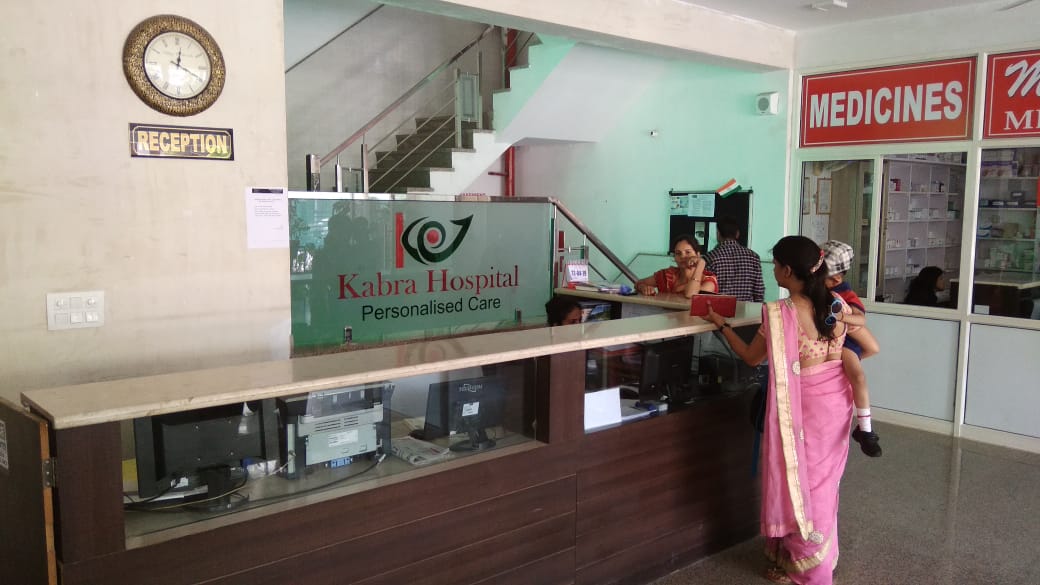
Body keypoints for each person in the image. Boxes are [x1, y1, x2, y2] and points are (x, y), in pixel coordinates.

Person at [704, 235, 879, 585]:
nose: (773, 270)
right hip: (837, 404)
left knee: (800, 485)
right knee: (823, 484)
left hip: (805, 407)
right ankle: (810, 556)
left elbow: (751, 357)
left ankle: (809, 570)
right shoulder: (836, 304)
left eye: (775, 264)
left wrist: (721, 325)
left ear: (787, 270)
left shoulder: (780, 313)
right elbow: (871, 347)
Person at [820, 240, 881, 458]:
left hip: (846, 342)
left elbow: (860, 319)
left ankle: (865, 430)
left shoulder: (844, 293)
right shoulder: (821, 288)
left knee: (858, 377)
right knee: (855, 374)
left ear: (836, 278)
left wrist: (840, 317)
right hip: (835, 343)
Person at [635, 234, 718, 297]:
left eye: (688, 252)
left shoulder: (709, 281)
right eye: (678, 253)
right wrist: (643, 288)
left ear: (698, 254)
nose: (683, 257)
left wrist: (701, 264)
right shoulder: (667, 275)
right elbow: (638, 283)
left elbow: (690, 294)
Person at [705, 216, 765, 302]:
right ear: (737, 234)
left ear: (718, 234)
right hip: (746, 309)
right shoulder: (753, 257)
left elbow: (705, 292)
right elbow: (759, 291)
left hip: (718, 308)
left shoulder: (710, 257)